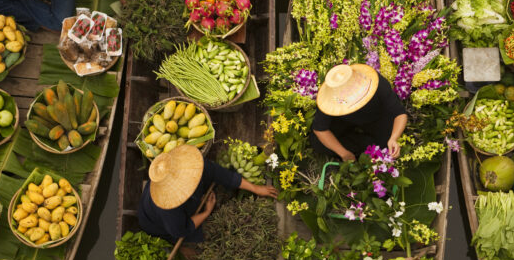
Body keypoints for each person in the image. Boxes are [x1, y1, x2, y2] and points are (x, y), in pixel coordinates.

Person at [137, 144, 278, 244]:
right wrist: (206, 212)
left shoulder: (190, 163)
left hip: (180, 212)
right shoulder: (168, 207)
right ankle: (180, 246)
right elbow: (181, 230)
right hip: (160, 225)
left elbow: (220, 173)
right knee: (208, 233)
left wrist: (255, 188)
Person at [310, 64, 408, 161]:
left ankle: (369, 147)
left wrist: (394, 138)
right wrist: (343, 153)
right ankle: (360, 147)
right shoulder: (329, 98)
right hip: (343, 120)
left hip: (374, 116)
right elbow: (320, 129)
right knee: (317, 142)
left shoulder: (376, 82)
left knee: (386, 142)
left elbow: (399, 113)